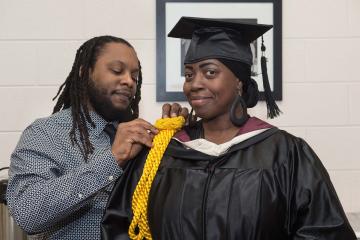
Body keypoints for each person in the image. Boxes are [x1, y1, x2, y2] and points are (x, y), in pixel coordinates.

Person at [101, 17, 356, 240]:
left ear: (239, 83)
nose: (194, 84)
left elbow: (323, 231)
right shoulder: (160, 153)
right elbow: (121, 226)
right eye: (189, 75)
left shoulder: (286, 153)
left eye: (210, 72)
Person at [6, 35, 187, 239]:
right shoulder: (46, 133)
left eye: (134, 76)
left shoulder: (139, 137)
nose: (129, 81)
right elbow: (27, 213)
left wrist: (178, 141)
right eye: (117, 71)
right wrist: (112, 160)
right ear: (85, 73)